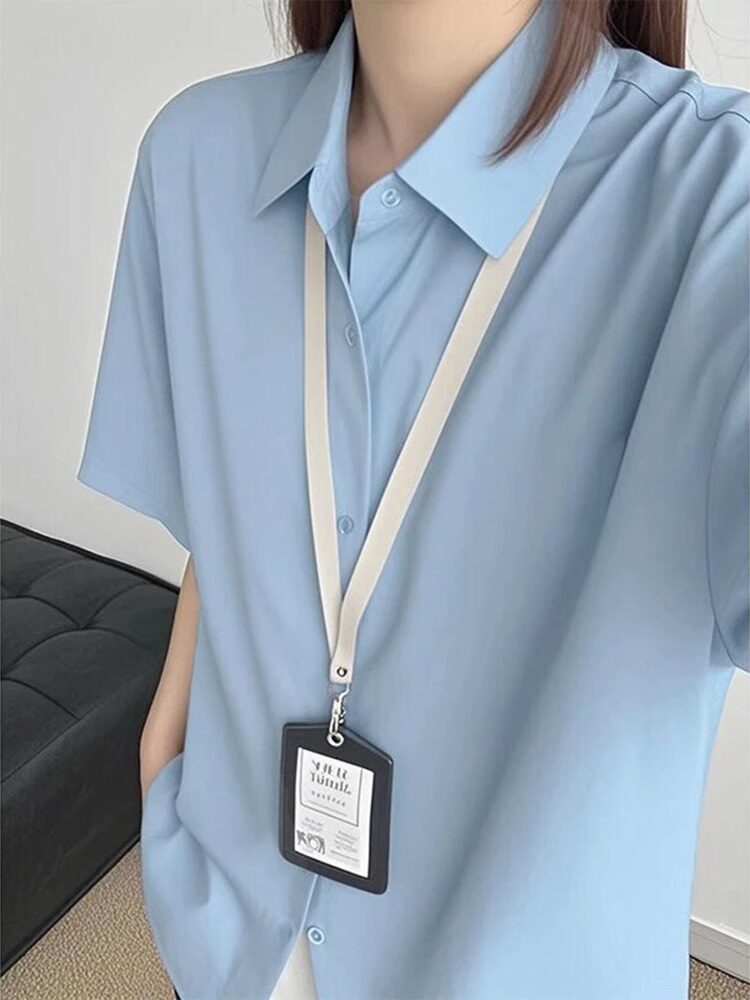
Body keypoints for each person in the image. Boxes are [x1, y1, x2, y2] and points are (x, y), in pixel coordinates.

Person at [76, 0, 749, 997]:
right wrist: (169, 746)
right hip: (230, 945)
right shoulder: (193, 160)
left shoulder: (717, 205)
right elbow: (218, 507)